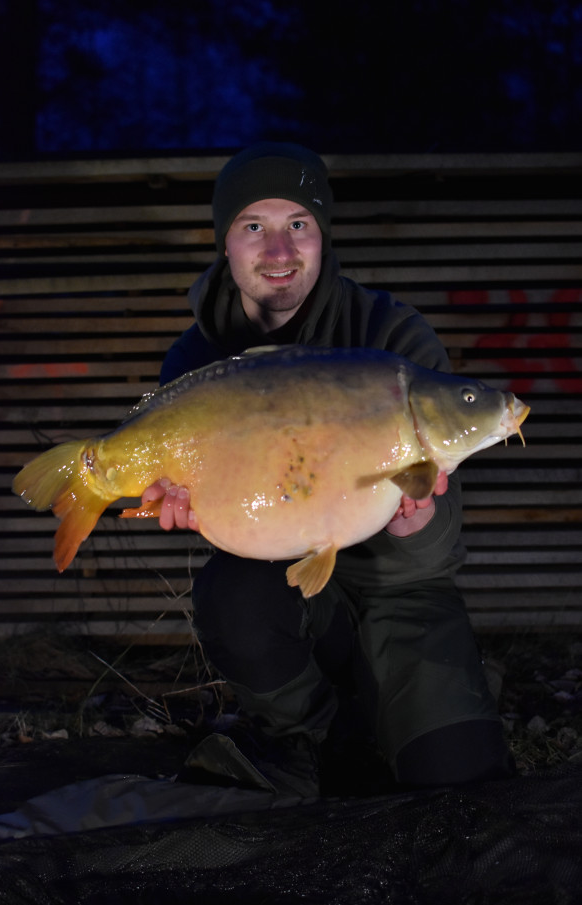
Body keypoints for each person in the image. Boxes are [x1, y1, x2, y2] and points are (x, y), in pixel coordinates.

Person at [144, 142, 512, 797]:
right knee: (234, 596)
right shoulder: (196, 360)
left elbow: (434, 558)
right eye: (253, 226)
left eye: (299, 226)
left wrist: (414, 517)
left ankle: (392, 707)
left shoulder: (392, 335)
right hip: (287, 590)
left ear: (323, 237)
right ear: (224, 242)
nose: (278, 251)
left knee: (461, 785)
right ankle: (302, 730)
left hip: (401, 595)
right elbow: (214, 506)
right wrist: (166, 499)